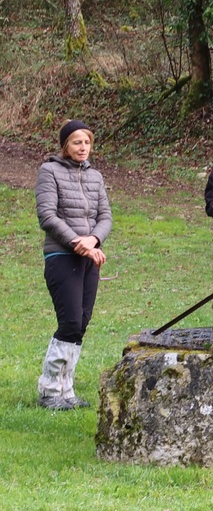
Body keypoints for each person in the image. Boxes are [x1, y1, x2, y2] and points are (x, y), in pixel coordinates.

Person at [35, 120, 112, 410]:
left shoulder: (95, 176)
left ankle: (66, 391)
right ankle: (49, 390)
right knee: (69, 322)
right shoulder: (49, 171)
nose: (83, 147)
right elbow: (47, 216)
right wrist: (79, 243)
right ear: (65, 145)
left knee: (81, 323)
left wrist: (94, 240)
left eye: (87, 142)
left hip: (89, 257)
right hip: (61, 256)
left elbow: (105, 216)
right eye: (77, 142)